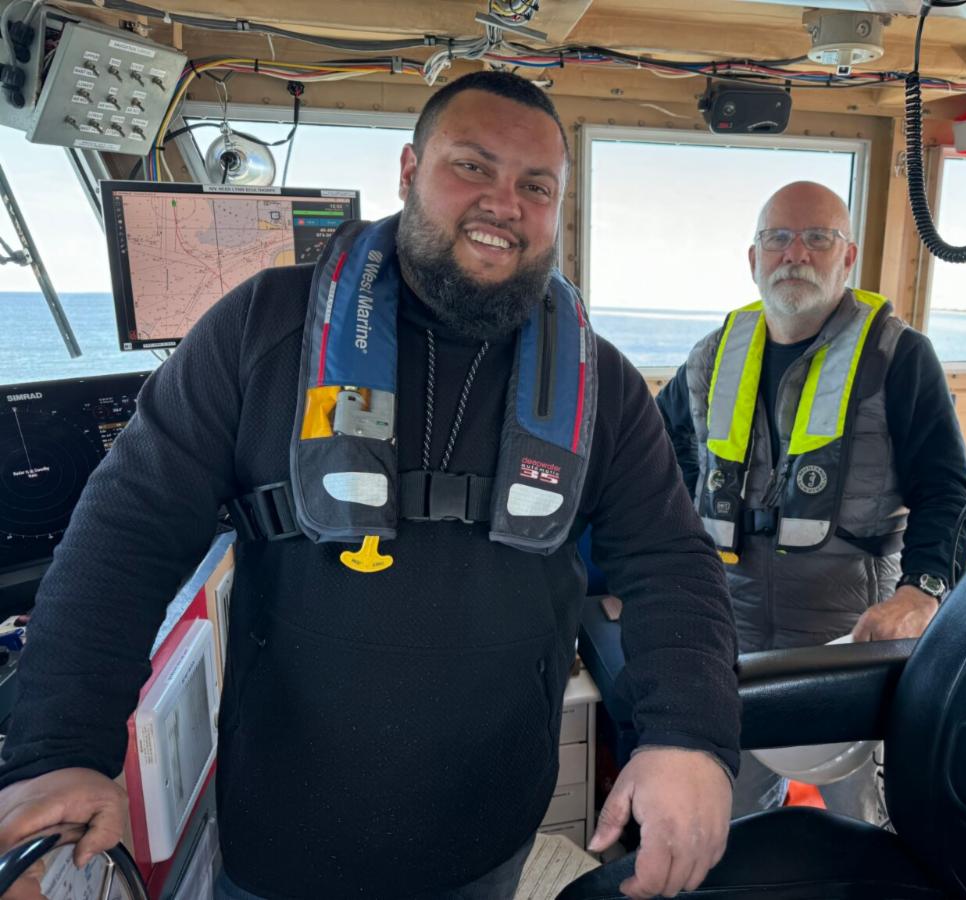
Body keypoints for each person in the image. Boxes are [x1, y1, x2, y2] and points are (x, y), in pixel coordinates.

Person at [0, 72, 740, 900]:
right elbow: (123, 534)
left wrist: (689, 736)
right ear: (408, 169)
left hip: (487, 831)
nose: (504, 203)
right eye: (472, 167)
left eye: (536, 186)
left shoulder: (598, 381)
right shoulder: (261, 328)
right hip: (283, 837)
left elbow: (672, 562)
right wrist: (58, 751)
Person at [656, 181, 966, 822]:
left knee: (872, 827)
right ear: (754, 258)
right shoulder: (711, 356)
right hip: (733, 637)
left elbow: (947, 490)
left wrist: (923, 590)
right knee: (730, 822)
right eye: (778, 237)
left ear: (847, 258)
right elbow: (660, 463)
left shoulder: (900, 357)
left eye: (817, 237)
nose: (794, 253)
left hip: (850, 639)